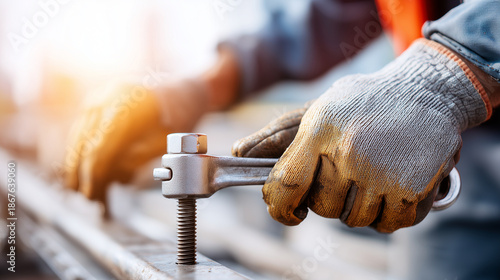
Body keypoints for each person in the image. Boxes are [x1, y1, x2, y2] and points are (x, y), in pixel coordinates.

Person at [64, 0, 499, 278]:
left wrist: (450, 71)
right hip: (451, 154)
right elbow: (333, 15)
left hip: (444, 120)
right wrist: (200, 88)